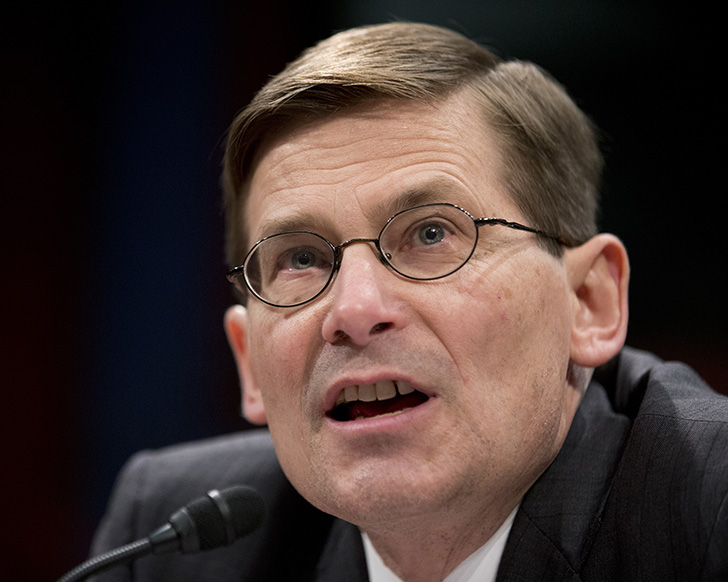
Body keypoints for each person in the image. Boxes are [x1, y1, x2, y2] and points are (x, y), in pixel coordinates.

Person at [88, 22, 727, 581]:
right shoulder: (175, 543)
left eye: (430, 233)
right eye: (301, 259)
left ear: (589, 302)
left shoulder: (709, 508)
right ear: (249, 364)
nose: (355, 311)